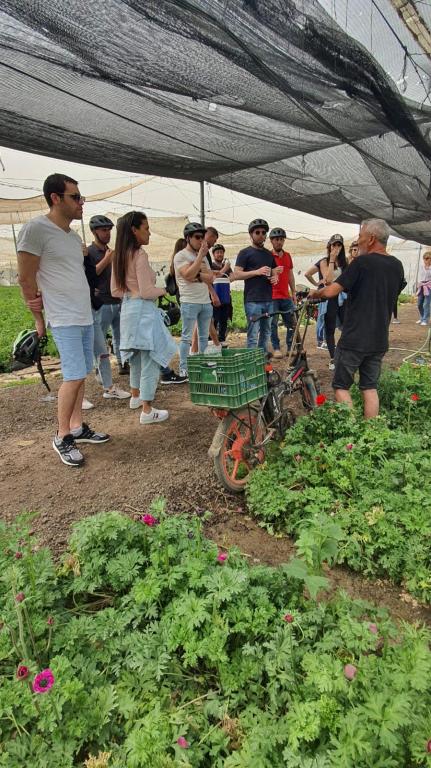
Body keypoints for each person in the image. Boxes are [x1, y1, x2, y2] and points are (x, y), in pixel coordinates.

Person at [17, 173, 110, 467]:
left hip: (83, 314)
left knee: (81, 371)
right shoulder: (35, 229)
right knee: (72, 375)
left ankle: (77, 427)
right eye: (75, 197)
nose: (81, 202)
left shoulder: (72, 237)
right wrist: (38, 318)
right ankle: (62, 436)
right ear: (56, 198)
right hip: (64, 316)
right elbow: (26, 278)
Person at [310, 218, 405, 419]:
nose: (359, 241)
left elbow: (331, 292)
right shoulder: (397, 265)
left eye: (361, 236)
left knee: (341, 387)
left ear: (371, 239)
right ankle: (369, 435)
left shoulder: (361, 263)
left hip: (354, 338)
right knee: (370, 388)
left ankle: (351, 434)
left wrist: (314, 293)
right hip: (379, 339)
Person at [111, 211, 177, 423]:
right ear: (134, 230)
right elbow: (148, 291)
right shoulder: (140, 255)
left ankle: (135, 396)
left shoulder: (120, 255)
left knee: (137, 357)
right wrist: (164, 291)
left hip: (128, 310)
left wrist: (132, 293)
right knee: (151, 358)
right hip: (143, 312)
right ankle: (147, 410)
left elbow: (114, 290)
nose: (149, 233)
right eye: (146, 228)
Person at [84, 215, 130, 401]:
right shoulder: (89, 252)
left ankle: (121, 364)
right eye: (104, 230)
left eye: (109, 230)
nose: (107, 233)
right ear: (94, 232)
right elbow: (91, 273)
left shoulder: (112, 252)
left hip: (116, 301)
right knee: (100, 342)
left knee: (119, 336)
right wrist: (107, 259)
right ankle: (100, 374)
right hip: (100, 303)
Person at [231, 219, 280, 350]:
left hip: (268, 300)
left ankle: (262, 361)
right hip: (252, 300)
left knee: (266, 333)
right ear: (251, 234)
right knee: (253, 334)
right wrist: (257, 272)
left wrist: (275, 278)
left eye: (263, 232)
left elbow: (273, 272)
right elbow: (236, 274)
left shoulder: (269, 254)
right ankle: (252, 365)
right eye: (257, 232)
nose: (261, 235)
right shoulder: (244, 253)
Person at [173, 222, 214, 378]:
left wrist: (196, 272)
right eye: (197, 237)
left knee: (204, 336)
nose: (201, 241)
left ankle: (202, 363)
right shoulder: (181, 256)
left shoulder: (203, 257)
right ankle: (184, 367)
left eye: (202, 237)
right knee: (186, 337)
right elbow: (187, 275)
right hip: (189, 301)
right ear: (188, 238)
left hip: (205, 301)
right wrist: (198, 263)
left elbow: (210, 278)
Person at [159, 237, 188, 385]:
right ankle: (181, 368)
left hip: (183, 297)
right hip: (186, 298)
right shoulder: (180, 262)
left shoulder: (174, 263)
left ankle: (167, 371)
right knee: (188, 334)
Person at [190, 226, 223, 355]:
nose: (212, 245)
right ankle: (215, 345)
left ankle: (197, 350)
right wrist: (213, 293)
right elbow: (200, 275)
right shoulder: (198, 253)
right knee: (204, 320)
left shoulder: (204, 253)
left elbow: (205, 273)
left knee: (204, 321)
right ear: (207, 236)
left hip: (201, 293)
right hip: (197, 293)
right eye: (212, 241)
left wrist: (213, 272)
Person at [320, 234, 348, 369]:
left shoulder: (345, 262)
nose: (336, 248)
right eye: (334, 245)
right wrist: (332, 259)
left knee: (346, 327)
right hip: (330, 298)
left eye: (339, 245)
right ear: (329, 246)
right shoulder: (324, 262)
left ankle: (343, 354)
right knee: (330, 329)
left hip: (343, 298)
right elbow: (328, 280)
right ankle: (333, 358)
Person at [268, 227, 296, 358]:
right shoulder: (267, 256)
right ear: (271, 241)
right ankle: (276, 348)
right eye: (276, 239)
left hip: (286, 295)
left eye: (281, 239)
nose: (279, 242)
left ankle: (290, 347)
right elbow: (263, 275)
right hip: (272, 296)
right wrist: (272, 272)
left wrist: (294, 292)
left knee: (291, 322)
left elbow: (290, 274)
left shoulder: (287, 256)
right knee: (273, 324)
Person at [211, 244, 232, 347]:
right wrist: (225, 268)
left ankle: (222, 339)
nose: (219, 254)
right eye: (217, 252)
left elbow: (231, 277)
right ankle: (212, 340)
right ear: (213, 254)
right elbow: (214, 276)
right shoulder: (211, 265)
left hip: (226, 296)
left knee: (224, 318)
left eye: (221, 252)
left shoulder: (226, 266)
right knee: (214, 318)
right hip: (214, 296)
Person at [304, 258, 327, 349]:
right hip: (322, 293)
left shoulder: (340, 261)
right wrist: (316, 284)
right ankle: (321, 341)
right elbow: (307, 274)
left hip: (333, 293)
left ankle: (326, 341)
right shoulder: (323, 261)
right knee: (323, 317)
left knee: (327, 317)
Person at [416, 251, 431, 326]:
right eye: (424, 258)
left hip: (429, 286)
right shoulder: (421, 266)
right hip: (421, 285)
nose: (425, 260)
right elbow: (419, 276)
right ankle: (422, 317)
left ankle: (425, 319)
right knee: (419, 304)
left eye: (427, 258)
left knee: (426, 304)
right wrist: (418, 284)